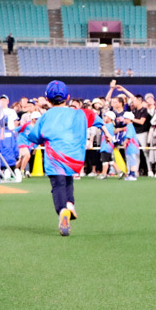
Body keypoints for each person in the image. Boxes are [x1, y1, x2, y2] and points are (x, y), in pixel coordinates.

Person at [25, 81, 111, 236]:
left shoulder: (46, 116)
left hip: (55, 157)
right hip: (74, 157)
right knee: (68, 181)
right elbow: (96, 119)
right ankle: (70, 204)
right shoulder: (79, 113)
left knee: (58, 185)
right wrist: (108, 134)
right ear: (68, 97)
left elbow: (35, 137)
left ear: (48, 99)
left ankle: (63, 210)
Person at [121, 112, 140, 181]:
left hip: (131, 146)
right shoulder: (129, 126)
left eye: (125, 118)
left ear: (129, 119)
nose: (124, 120)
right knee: (130, 160)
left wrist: (124, 143)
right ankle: (130, 174)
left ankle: (132, 174)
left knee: (132, 161)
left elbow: (129, 136)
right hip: (130, 147)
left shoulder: (129, 126)